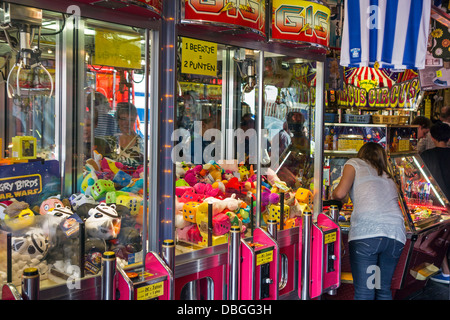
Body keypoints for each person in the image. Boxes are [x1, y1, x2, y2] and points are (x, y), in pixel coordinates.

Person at [331, 142, 406, 300]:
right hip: (395, 236)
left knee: (366, 291)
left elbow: (339, 195)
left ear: (361, 153)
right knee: (382, 289)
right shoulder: (388, 176)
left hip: (367, 235)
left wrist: (334, 190)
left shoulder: (354, 163)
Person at [420, 122, 450, 284]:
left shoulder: (427, 155)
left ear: (432, 137)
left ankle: (445, 271)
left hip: (438, 203)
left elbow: (420, 177)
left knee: (441, 237)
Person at [101, 102, 144, 168]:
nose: (127, 123)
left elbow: (143, 168)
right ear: (117, 119)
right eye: (123, 119)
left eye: (131, 120)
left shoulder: (140, 142)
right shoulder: (109, 140)